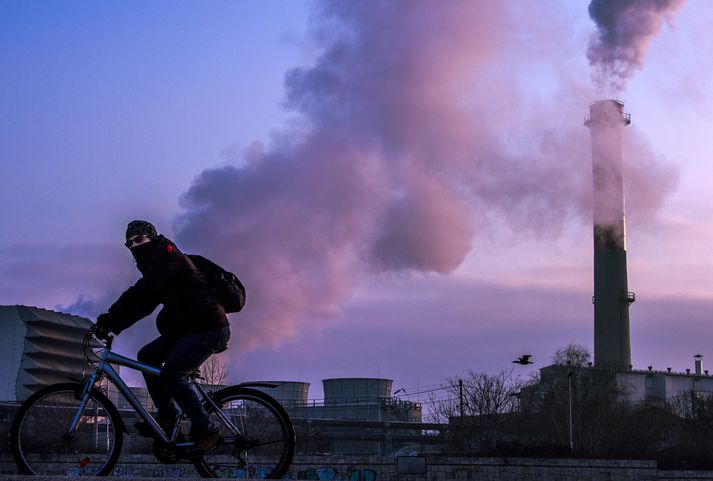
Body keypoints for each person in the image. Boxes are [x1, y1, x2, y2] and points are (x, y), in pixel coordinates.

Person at [96, 220, 231, 456]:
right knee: (147, 356)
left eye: (140, 240)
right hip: (189, 329)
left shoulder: (166, 257)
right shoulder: (153, 265)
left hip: (209, 328)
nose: (135, 246)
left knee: (172, 374)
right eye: (130, 243)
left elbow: (143, 294)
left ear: (152, 238)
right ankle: (168, 418)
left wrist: (110, 321)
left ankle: (208, 429)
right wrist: (112, 323)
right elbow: (143, 303)